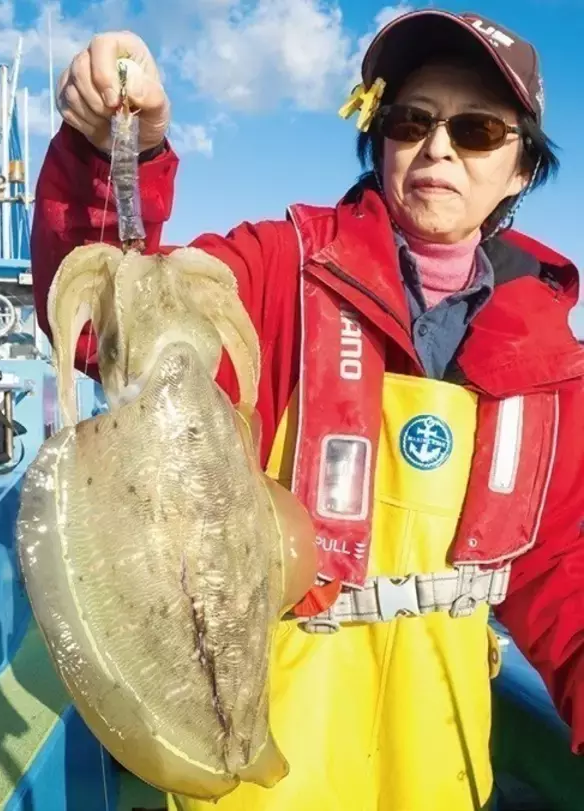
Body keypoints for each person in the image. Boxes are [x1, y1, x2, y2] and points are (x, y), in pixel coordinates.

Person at [31, 8, 584, 811]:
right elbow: (116, 319)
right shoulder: (278, 268)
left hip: (438, 761)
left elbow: (561, 573)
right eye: (410, 121)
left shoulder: (549, 357)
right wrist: (115, 151)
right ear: (378, 135)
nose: (438, 150)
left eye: (475, 131)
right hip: (261, 737)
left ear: (522, 167)